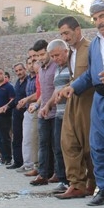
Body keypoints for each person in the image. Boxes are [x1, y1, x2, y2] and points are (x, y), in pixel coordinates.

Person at [60, 0, 104, 206]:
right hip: (100, 98)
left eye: (102, 16)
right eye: (95, 18)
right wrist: (75, 86)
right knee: (98, 145)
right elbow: (90, 73)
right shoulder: (95, 44)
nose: (99, 21)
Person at [54, 16, 97, 200]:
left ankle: (92, 183)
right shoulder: (70, 52)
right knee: (68, 141)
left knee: (88, 145)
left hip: (89, 101)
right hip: (72, 101)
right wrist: (64, 89)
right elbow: (73, 78)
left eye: (67, 33)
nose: (64, 37)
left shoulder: (90, 48)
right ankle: (76, 184)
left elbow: (91, 74)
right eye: (62, 34)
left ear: (78, 30)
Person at [41, 39, 71, 193]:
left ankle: (75, 180)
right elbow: (56, 90)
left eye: (57, 55)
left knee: (70, 148)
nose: (55, 59)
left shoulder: (72, 67)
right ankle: (63, 180)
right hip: (59, 113)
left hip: (71, 113)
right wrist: (48, 105)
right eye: (52, 56)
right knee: (58, 147)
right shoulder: (58, 69)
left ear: (66, 51)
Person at [29, 39, 57, 186]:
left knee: (56, 145)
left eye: (42, 54)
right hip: (43, 112)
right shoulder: (41, 69)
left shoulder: (56, 66)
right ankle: (43, 174)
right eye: (37, 56)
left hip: (56, 111)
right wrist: (37, 105)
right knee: (43, 144)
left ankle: (58, 174)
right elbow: (43, 93)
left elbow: (57, 89)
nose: (40, 58)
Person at [16, 56, 39, 173]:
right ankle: (27, 163)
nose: (31, 65)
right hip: (28, 110)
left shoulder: (38, 77)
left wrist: (27, 99)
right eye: (29, 63)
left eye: (33, 62)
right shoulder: (29, 79)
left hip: (36, 108)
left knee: (33, 139)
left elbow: (39, 93)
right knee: (26, 139)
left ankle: (33, 164)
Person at [7, 63, 29, 170]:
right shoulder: (17, 83)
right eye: (16, 71)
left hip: (26, 111)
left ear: (25, 69)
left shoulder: (29, 80)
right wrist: (6, 107)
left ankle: (27, 162)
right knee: (16, 137)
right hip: (16, 113)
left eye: (20, 70)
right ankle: (17, 161)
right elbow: (15, 98)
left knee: (26, 138)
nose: (19, 72)